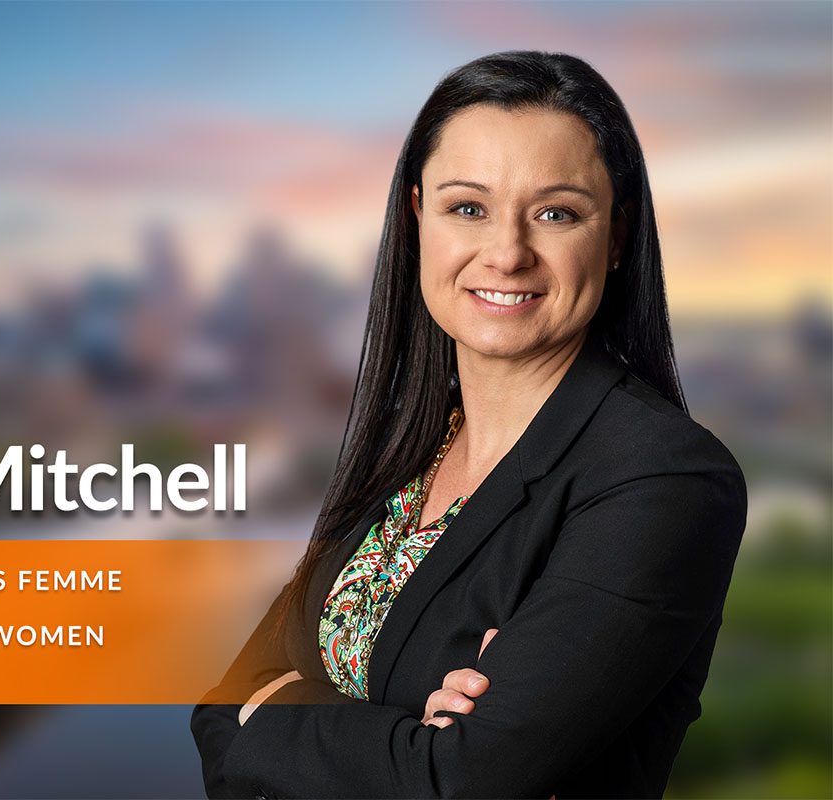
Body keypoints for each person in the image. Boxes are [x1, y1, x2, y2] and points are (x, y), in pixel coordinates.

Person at [190, 50, 748, 799]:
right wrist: (403, 736)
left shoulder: (662, 480)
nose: (507, 253)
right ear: (418, 216)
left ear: (614, 238)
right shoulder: (407, 444)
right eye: (468, 207)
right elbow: (219, 712)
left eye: (556, 213)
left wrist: (275, 715)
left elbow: (461, 783)